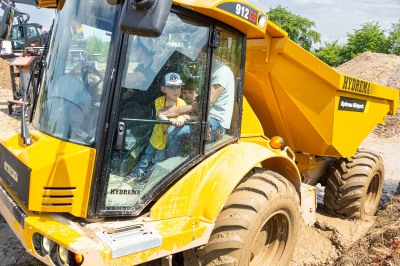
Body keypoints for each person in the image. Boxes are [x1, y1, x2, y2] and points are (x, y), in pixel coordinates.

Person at [159, 45, 235, 142]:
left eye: (198, 53)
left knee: (173, 132)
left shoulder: (221, 71)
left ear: (207, 53)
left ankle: (171, 157)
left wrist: (179, 110)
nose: (196, 57)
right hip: (202, 116)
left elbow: (208, 102)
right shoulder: (209, 69)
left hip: (214, 122)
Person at [125, 72, 188, 181]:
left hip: (166, 141)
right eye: (172, 88)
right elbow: (160, 114)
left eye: (178, 88)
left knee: (157, 160)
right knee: (146, 156)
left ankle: (147, 179)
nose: (176, 91)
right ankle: (137, 173)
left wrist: (181, 118)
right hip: (156, 137)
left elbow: (185, 115)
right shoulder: (159, 101)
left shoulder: (182, 103)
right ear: (163, 89)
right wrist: (171, 120)